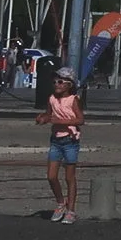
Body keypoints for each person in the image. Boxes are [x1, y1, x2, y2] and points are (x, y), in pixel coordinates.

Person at [39, 65, 84, 223]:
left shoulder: (73, 100)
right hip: (56, 140)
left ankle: (71, 210)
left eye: (60, 82)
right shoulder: (52, 99)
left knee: (69, 177)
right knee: (51, 176)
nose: (56, 85)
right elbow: (49, 114)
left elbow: (80, 120)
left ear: (69, 85)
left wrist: (61, 122)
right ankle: (60, 203)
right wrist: (43, 118)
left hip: (70, 141)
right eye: (54, 82)